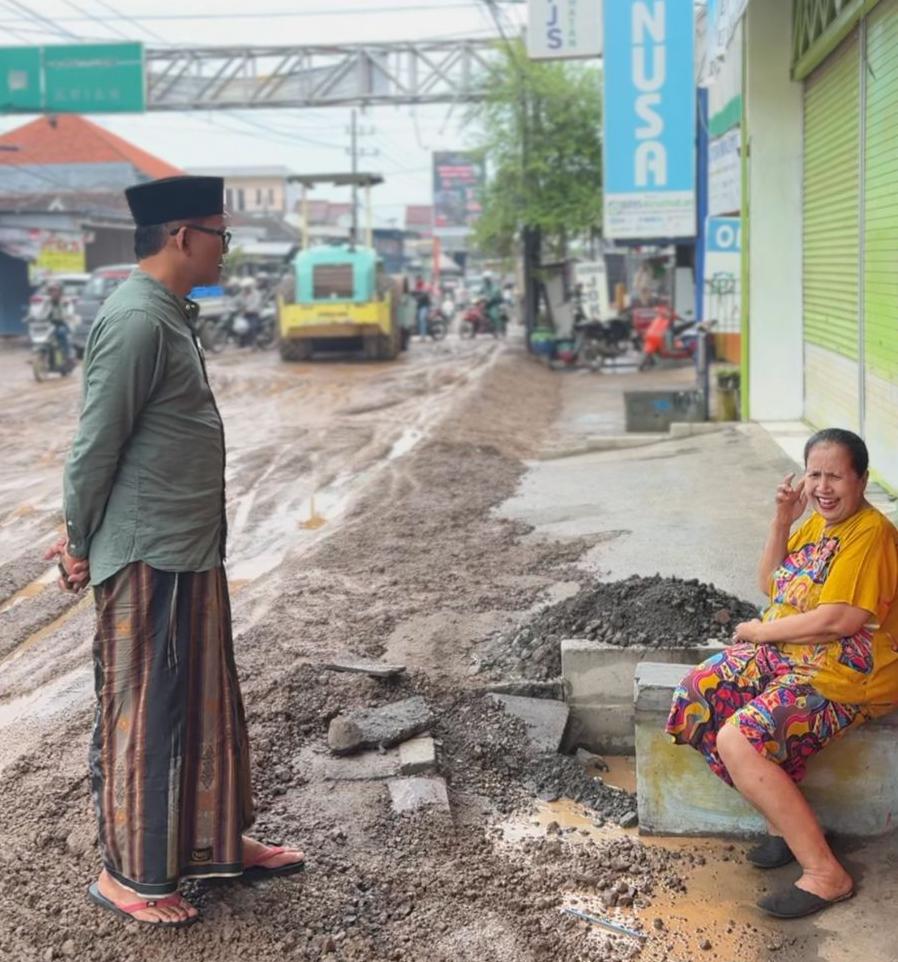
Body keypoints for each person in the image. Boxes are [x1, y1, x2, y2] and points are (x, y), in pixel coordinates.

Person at [45, 175, 304, 929]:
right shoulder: (134, 321)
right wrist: (79, 537)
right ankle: (127, 874)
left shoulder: (168, 315)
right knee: (147, 715)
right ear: (182, 236)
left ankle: (217, 841)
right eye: (221, 235)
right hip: (148, 552)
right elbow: (96, 443)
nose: (228, 249)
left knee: (204, 704)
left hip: (188, 547)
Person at [666, 428, 898, 919]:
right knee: (696, 694)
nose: (823, 487)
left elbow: (840, 620)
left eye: (836, 475)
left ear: (862, 480)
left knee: (741, 739)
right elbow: (773, 584)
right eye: (815, 474)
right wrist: (782, 519)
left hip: (846, 675)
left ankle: (826, 873)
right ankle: (785, 825)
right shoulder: (817, 525)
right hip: (793, 655)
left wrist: (758, 632)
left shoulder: (871, 534)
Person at [44, 281, 73, 363]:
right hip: (52, 325)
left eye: (56, 290)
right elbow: (41, 313)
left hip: (64, 324)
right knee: (45, 337)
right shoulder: (47, 302)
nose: (54, 293)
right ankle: (42, 355)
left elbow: (70, 312)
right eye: (51, 291)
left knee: (61, 332)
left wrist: (67, 314)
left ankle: (67, 356)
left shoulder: (65, 301)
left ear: (60, 291)